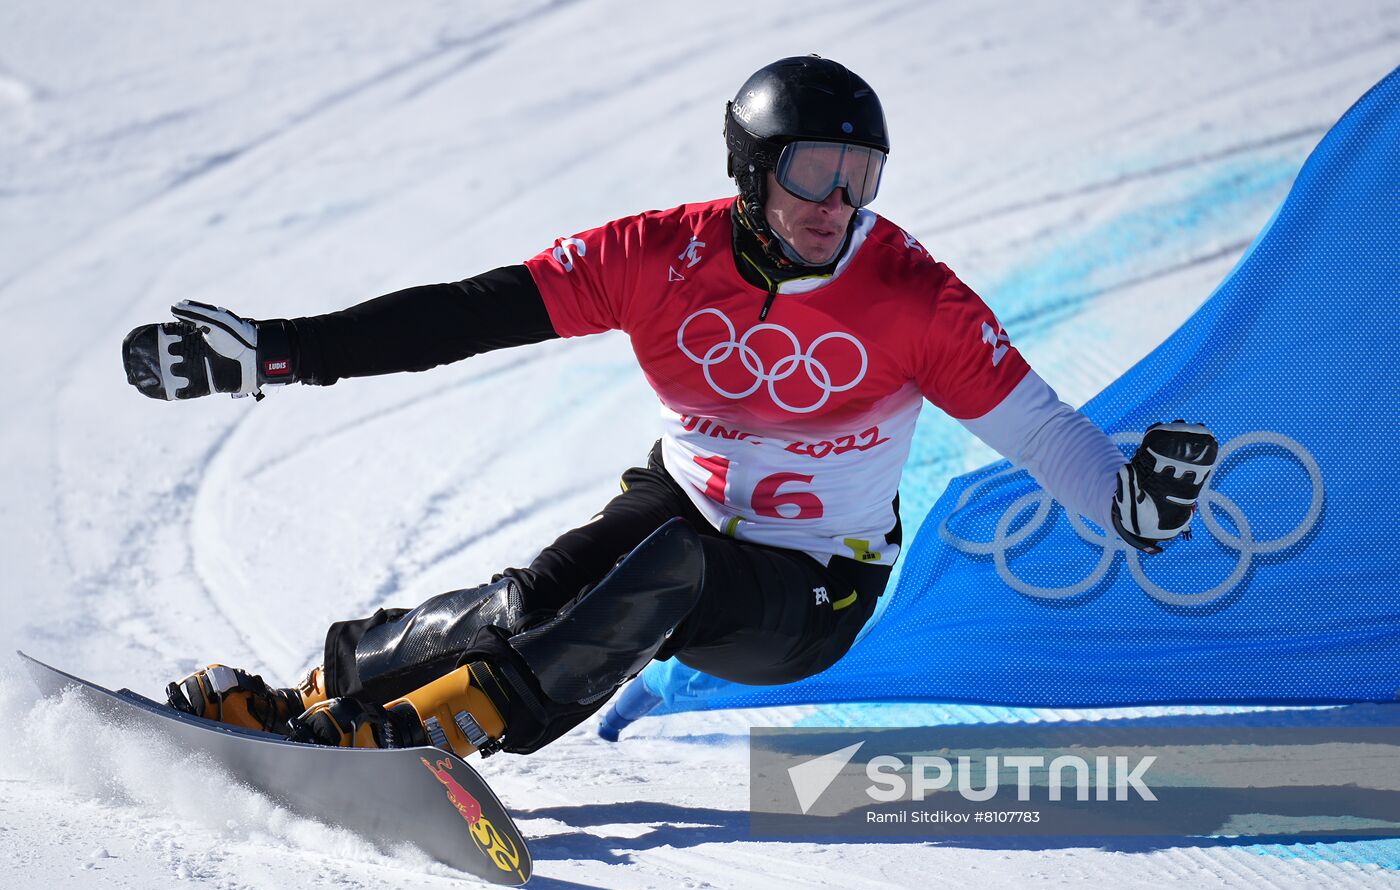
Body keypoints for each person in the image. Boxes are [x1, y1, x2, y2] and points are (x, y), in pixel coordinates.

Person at [121, 55, 1218, 759]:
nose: (839, 204)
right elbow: (467, 315)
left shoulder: (909, 294)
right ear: (750, 171)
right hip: (678, 506)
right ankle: (308, 698)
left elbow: (1034, 428)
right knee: (532, 595)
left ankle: (423, 734)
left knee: (667, 571)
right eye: (813, 172)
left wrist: (1123, 505)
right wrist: (275, 353)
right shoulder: (657, 254)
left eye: (861, 175)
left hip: (813, 596)